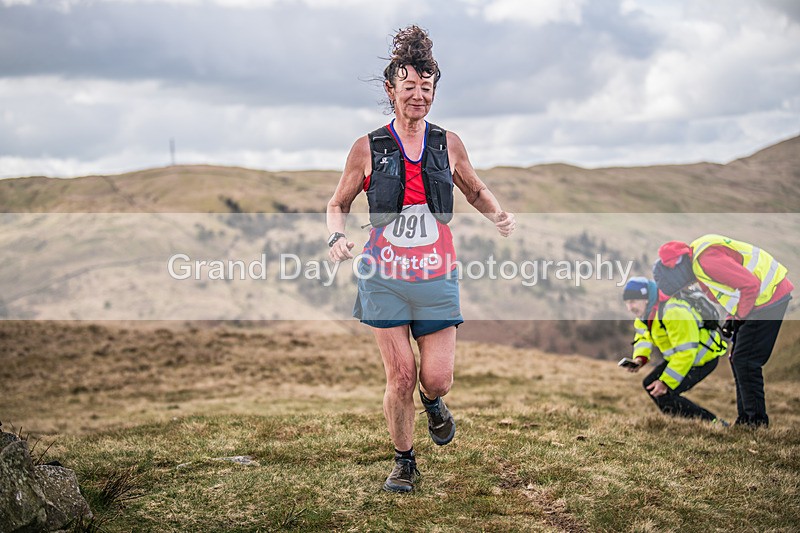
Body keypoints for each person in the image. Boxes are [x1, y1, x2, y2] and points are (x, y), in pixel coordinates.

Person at [326, 25, 515, 492]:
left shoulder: (447, 142)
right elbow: (338, 202)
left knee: (437, 378)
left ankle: (434, 404)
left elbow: (473, 187)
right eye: (408, 86)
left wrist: (497, 214)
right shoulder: (367, 147)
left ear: (434, 92)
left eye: (425, 88)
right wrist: (336, 237)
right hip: (383, 275)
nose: (418, 95)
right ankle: (404, 462)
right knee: (401, 375)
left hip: (435, 274)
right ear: (391, 90)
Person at [653, 235, 793, 427]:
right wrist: (731, 318)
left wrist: (739, 317)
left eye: (682, 285)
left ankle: (756, 422)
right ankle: (746, 420)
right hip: (757, 302)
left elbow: (750, 285)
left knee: (746, 360)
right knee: (737, 358)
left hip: (769, 298)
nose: (686, 287)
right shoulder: (697, 267)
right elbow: (731, 294)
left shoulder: (706, 261)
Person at [621, 277, 728, 423]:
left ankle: (713, 423)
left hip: (702, 360)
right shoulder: (644, 316)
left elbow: (687, 353)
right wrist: (640, 358)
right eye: (626, 303)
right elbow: (643, 337)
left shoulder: (674, 312)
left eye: (632, 301)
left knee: (665, 391)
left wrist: (666, 382)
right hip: (680, 358)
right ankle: (680, 422)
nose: (629, 307)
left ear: (645, 298)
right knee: (651, 384)